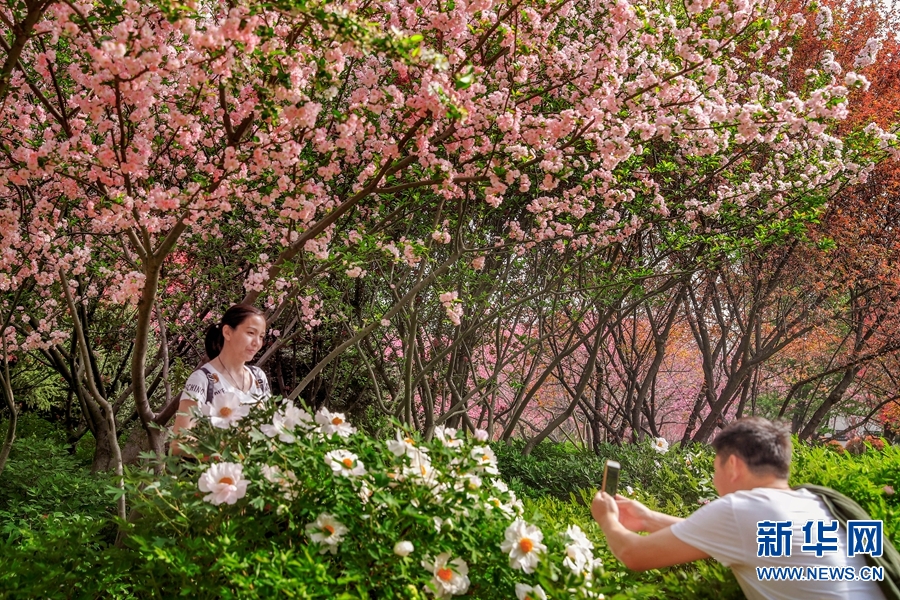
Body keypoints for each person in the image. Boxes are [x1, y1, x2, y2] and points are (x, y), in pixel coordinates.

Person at [591, 417, 887, 599]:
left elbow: (634, 555)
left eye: (714, 466)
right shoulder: (812, 503)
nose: (713, 476)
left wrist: (607, 519)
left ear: (732, 465)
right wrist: (647, 518)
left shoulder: (742, 509)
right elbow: (729, 536)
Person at [171, 304, 271, 455]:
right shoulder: (202, 379)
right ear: (227, 332)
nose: (257, 343)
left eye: (261, 336)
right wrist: (228, 451)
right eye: (251, 333)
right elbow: (179, 443)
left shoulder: (259, 377)